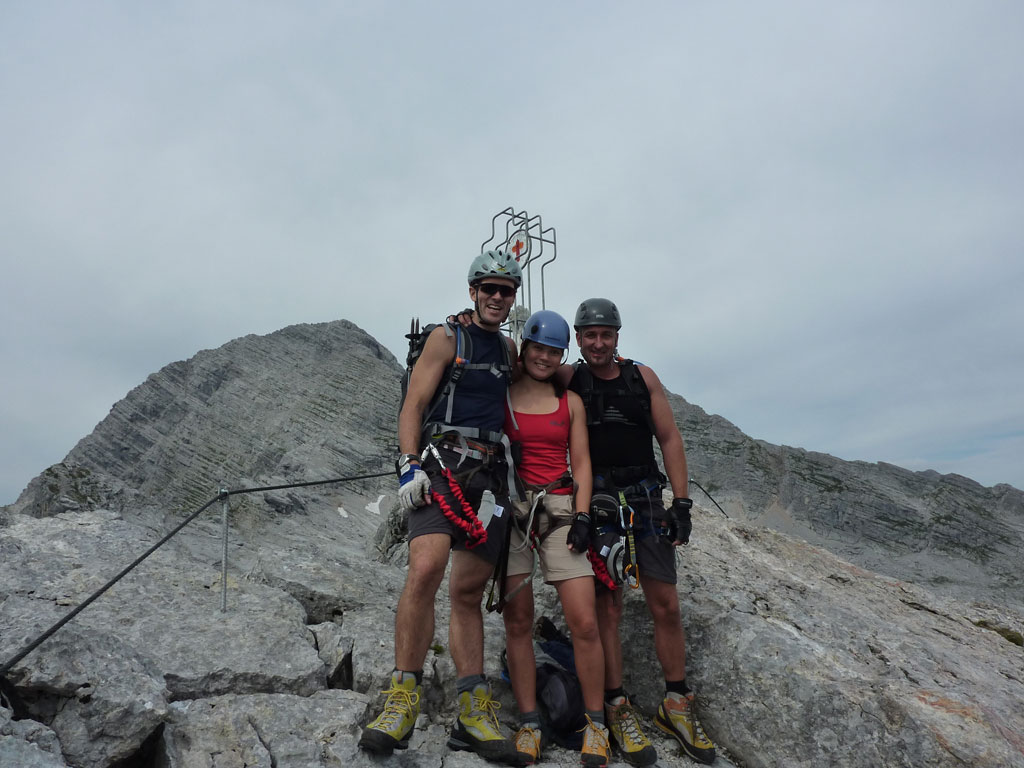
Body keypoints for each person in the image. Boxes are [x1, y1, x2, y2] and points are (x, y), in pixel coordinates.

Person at [359, 250, 525, 765]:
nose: (497, 297)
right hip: (443, 465)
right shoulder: (446, 338)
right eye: (488, 288)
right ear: (473, 290)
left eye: (506, 290)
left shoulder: (510, 349)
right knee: (426, 569)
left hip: (490, 476)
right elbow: (413, 404)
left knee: (468, 591)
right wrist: (409, 465)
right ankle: (402, 700)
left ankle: (472, 713)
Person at [556, 298, 717, 766]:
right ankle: (616, 705)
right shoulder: (569, 378)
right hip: (599, 504)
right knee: (608, 609)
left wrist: (681, 504)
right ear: (578, 339)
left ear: (617, 337)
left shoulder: (641, 378)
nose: (598, 343)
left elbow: (669, 438)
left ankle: (676, 703)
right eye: (590, 335)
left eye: (606, 335)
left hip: (645, 499)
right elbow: (524, 365)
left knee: (665, 603)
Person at [500, 309, 611, 767]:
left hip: (561, 509)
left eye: (553, 351)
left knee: (584, 621)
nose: (544, 358)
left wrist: (583, 516)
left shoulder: (571, 402)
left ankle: (596, 725)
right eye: (538, 348)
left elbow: (581, 462)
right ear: (524, 347)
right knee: (518, 621)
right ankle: (530, 722)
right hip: (514, 510)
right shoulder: (503, 394)